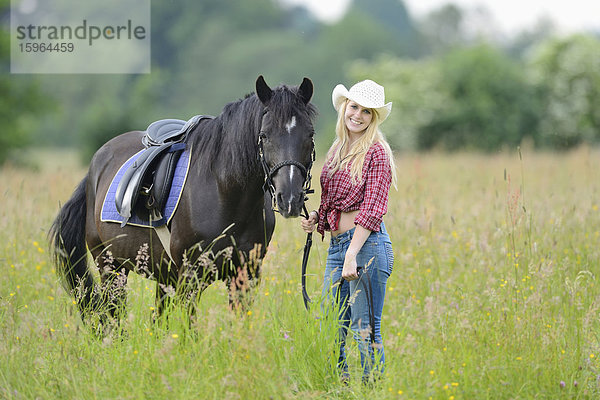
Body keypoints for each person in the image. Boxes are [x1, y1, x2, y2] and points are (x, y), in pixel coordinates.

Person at [300, 79, 396, 382]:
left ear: (374, 118)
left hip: (365, 248)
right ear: (345, 107)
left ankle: (371, 388)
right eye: (354, 107)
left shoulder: (377, 153)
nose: (358, 115)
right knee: (331, 323)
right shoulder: (337, 148)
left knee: (364, 327)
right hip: (338, 248)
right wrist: (317, 215)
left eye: (367, 112)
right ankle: (337, 386)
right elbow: (332, 199)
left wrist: (352, 255)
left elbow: (372, 209)